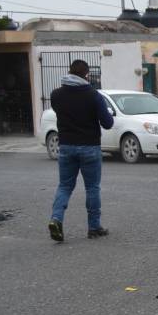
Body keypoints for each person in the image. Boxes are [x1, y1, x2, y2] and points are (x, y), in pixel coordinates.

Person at [48, 59, 113, 242]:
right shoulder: (93, 95)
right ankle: (94, 227)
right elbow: (108, 123)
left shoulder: (56, 95)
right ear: (86, 75)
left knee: (65, 186)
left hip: (66, 146)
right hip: (90, 147)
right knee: (92, 188)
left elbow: (58, 111)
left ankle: (56, 219)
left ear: (69, 72)